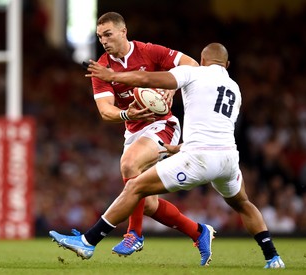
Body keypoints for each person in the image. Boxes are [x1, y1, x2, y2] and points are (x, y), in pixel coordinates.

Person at [49, 42, 285, 269]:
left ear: (201, 61)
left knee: (134, 187)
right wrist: (180, 147)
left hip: (198, 159)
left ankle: (90, 241)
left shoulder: (194, 73)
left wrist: (112, 76)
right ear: (227, 64)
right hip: (228, 160)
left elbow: (145, 78)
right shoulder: (234, 88)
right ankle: (272, 256)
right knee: (242, 203)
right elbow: (214, 131)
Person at [79, 11, 216, 262]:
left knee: (129, 164)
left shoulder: (148, 51)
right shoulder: (103, 66)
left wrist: (172, 86)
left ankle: (134, 234)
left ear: (123, 31)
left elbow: (193, 66)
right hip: (133, 132)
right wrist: (125, 114)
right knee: (147, 203)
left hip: (163, 126)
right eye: (100, 37)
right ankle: (198, 232)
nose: (104, 41)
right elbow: (105, 111)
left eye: (108, 34)